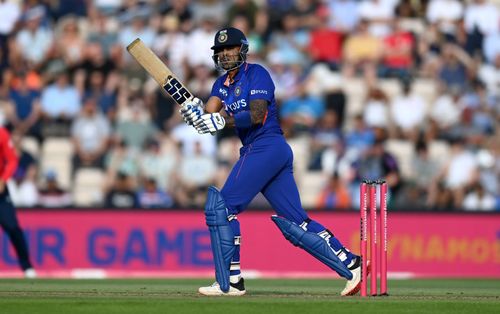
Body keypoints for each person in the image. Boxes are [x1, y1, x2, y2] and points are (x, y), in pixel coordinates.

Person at [180, 27, 363, 296]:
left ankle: (231, 281)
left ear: (242, 50)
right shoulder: (219, 85)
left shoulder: (257, 74)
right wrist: (194, 114)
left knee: (222, 207)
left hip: (268, 146)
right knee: (296, 223)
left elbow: (256, 114)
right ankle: (352, 264)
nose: (225, 54)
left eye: (230, 48)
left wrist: (218, 119)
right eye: (220, 51)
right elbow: (208, 117)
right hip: (262, 152)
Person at [0, 127, 36, 278]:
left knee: (12, 227)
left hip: (0, 190)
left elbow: (12, 160)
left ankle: (27, 267)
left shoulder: (1, 133)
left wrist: (3, 179)